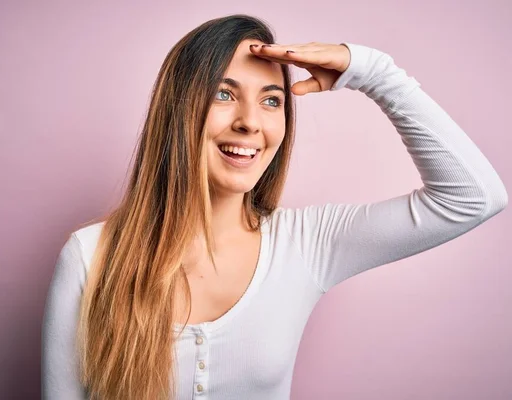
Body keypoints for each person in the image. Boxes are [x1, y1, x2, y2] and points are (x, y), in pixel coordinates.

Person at [41, 14, 508, 400]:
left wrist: (372, 71)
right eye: (224, 94)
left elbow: (475, 196)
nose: (250, 123)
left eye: (271, 101)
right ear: (178, 109)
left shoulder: (306, 244)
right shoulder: (90, 256)